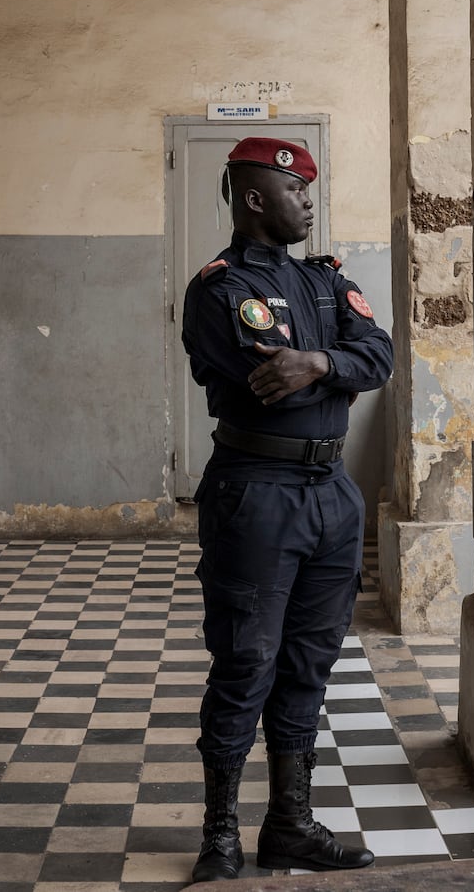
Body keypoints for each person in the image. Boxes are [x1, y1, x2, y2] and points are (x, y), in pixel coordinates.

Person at [180, 137, 393, 882]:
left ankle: (290, 826)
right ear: (255, 199)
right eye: (295, 189)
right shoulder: (219, 287)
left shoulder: (327, 281)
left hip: (331, 495)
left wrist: (322, 361)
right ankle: (220, 838)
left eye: (309, 187)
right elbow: (272, 377)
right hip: (257, 494)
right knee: (247, 662)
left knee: (308, 663)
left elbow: (379, 354)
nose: (309, 199)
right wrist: (322, 365)